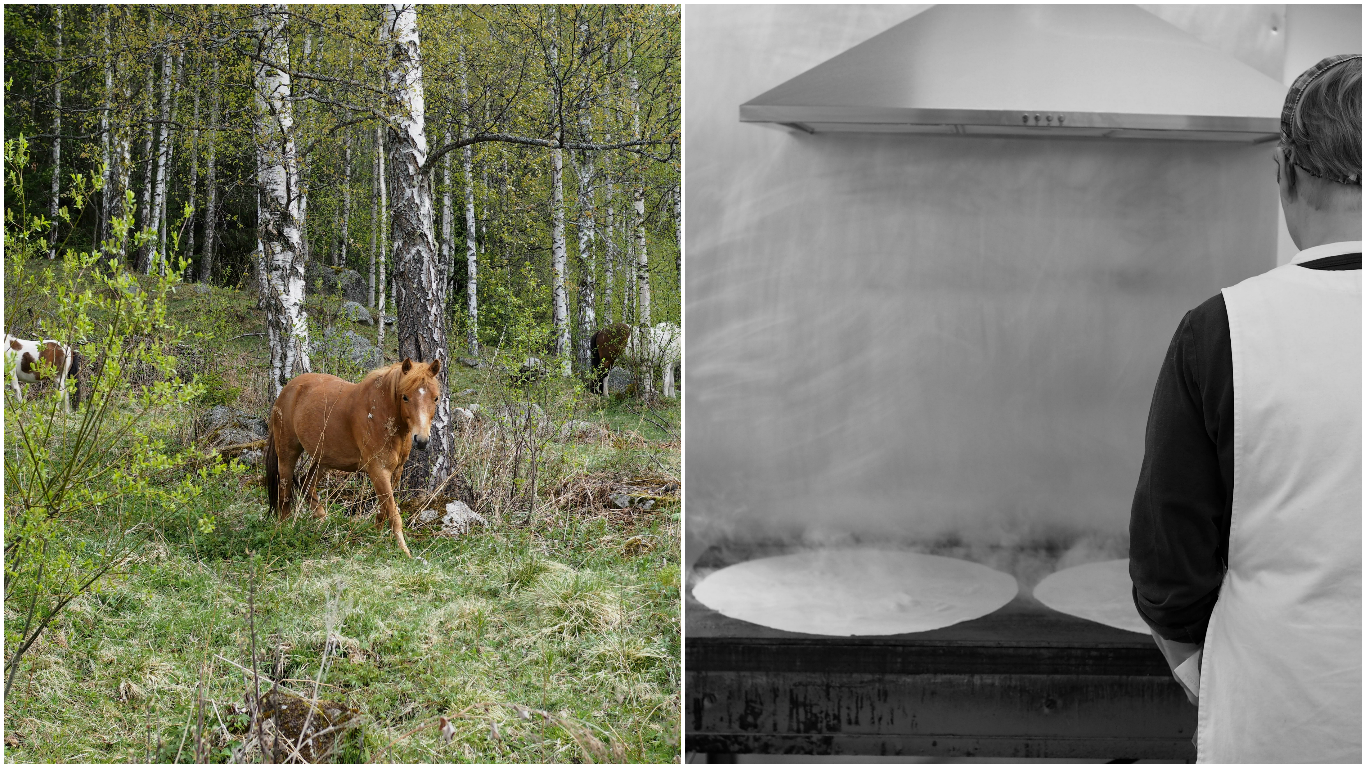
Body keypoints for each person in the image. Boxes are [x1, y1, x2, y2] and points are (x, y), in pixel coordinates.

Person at [1128, 54, 1361, 763]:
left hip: (1279, 716)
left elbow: (1169, 566)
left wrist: (1205, 671)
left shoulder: (1220, 329)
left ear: (1283, 175)